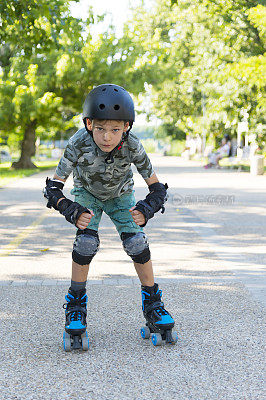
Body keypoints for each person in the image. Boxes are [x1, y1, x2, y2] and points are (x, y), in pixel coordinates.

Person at [43, 84, 176, 348]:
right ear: (89, 123)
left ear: (126, 127)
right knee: (86, 243)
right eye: (101, 129)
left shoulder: (133, 146)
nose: (107, 137)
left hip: (121, 196)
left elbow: (157, 187)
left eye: (115, 129)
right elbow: (53, 187)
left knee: (137, 243)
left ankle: (153, 304)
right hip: (86, 195)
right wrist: (70, 209)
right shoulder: (78, 143)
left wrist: (147, 208)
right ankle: (76, 305)